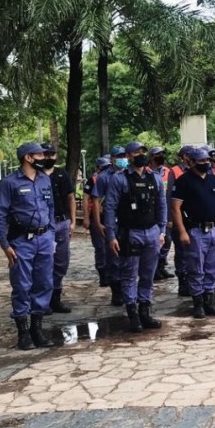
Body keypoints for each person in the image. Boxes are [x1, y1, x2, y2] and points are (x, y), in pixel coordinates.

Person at [0, 142, 55, 350]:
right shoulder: (9, 183)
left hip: (44, 239)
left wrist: (52, 234)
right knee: (21, 286)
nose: (44, 158)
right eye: (39, 155)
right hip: (21, 242)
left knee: (44, 283)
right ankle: (23, 332)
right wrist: (5, 245)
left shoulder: (45, 179)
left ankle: (37, 328)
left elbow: (51, 208)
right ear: (28, 158)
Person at [104, 142, 167, 332]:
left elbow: (161, 205)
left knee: (148, 275)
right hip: (131, 232)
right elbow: (110, 207)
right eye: (137, 152)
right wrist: (111, 235)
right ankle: (132, 314)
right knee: (129, 274)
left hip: (152, 231)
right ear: (129, 156)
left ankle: (145, 311)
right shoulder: (120, 179)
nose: (141, 155)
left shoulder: (154, 178)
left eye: (143, 152)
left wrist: (162, 230)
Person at [171, 147, 215, 318]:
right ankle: (197, 304)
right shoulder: (184, 181)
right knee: (196, 268)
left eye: (207, 161)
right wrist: (182, 231)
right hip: (196, 231)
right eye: (201, 161)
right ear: (192, 162)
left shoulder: (214, 180)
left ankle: (209, 302)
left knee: (213, 268)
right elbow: (175, 208)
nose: (206, 164)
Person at [41, 143, 75, 314]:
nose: (48, 158)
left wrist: (73, 221)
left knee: (61, 262)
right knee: (44, 262)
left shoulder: (62, 175)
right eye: (45, 154)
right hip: (43, 226)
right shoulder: (36, 176)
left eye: (51, 155)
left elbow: (70, 198)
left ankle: (56, 299)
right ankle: (43, 301)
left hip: (61, 223)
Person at [92, 145, 128, 305]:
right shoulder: (104, 177)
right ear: (112, 159)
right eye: (118, 156)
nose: (122, 159)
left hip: (128, 220)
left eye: (123, 156)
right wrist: (98, 222)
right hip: (111, 221)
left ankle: (128, 289)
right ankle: (116, 291)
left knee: (128, 257)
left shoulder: (129, 174)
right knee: (113, 257)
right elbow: (96, 200)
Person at [83, 156, 111, 286]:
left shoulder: (113, 178)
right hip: (96, 217)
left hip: (109, 216)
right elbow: (85, 199)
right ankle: (103, 274)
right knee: (100, 247)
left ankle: (112, 272)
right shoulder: (93, 180)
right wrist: (86, 218)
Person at [150, 146, 177, 281]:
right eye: (157, 154)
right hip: (153, 212)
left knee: (167, 241)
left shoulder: (168, 172)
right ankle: (154, 269)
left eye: (162, 154)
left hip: (166, 210)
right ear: (151, 157)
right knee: (156, 242)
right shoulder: (147, 172)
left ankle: (160, 266)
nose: (161, 156)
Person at [170, 146, 193, 296]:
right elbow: (169, 198)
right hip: (179, 216)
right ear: (183, 156)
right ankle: (182, 281)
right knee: (181, 251)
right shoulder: (175, 171)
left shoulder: (198, 169)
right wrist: (169, 219)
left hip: (194, 216)